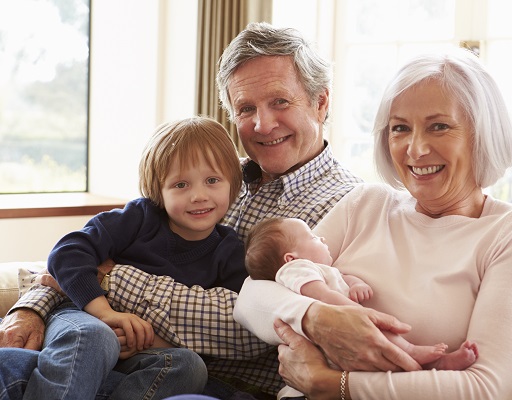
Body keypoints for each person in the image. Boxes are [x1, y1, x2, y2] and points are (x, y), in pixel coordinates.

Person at [0, 22, 362, 400]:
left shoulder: (350, 206)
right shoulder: (209, 174)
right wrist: (32, 308)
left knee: (28, 371)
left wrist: (110, 282)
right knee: (52, 356)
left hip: (213, 382)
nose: (262, 124)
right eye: (245, 108)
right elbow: (87, 249)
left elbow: (252, 320)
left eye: (280, 102)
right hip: (120, 347)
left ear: (321, 102)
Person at [233, 48, 512, 399]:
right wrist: (317, 318)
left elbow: (486, 389)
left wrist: (332, 384)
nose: (415, 149)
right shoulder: (367, 203)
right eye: (400, 128)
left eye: (439, 126)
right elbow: (251, 297)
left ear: (482, 132)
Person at [1, 115, 247, 400]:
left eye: (212, 180)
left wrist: (146, 339)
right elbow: (67, 252)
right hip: (82, 316)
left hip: (144, 349)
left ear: (233, 184)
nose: (199, 195)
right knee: (96, 336)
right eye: (181, 185)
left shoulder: (230, 251)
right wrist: (106, 314)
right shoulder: (139, 218)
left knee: (190, 367)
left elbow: (226, 326)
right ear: (159, 190)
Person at [245, 216, 478, 399]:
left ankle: (434, 364)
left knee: (377, 345)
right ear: (290, 258)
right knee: (378, 334)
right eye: (313, 237)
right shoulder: (295, 270)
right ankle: (413, 351)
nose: (322, 239)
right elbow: (321, 294)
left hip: (339, 373)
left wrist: (357, 285)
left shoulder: (320, 269)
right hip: (321, 360)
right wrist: (355, 312)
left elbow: (344, 278)